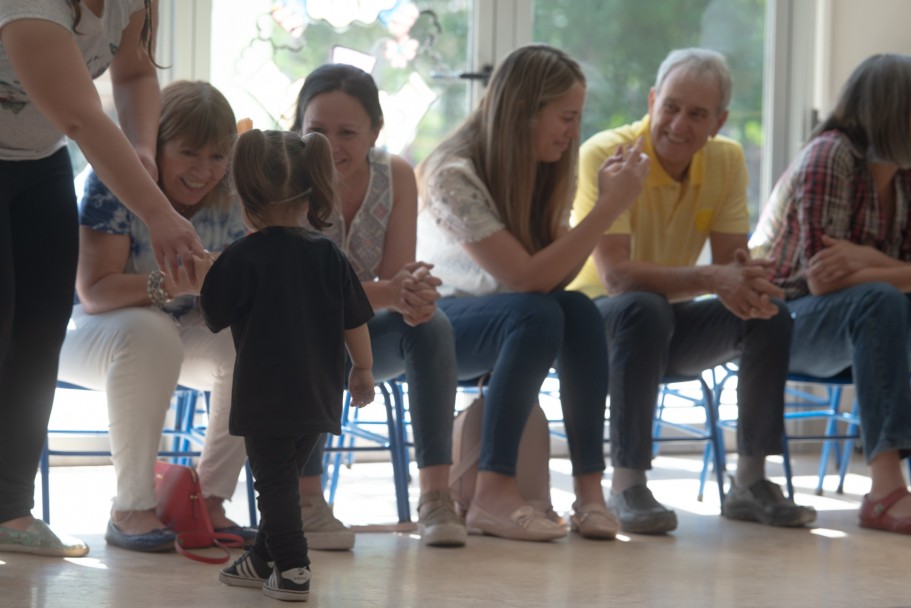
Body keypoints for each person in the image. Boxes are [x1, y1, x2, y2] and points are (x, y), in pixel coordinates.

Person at [568, 47, 817, 534]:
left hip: (666, 324)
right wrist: (712, 279)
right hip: (596, 324)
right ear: (653, 99)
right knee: (643, 306)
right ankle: (626, 484)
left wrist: (752, 282)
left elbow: (730, 264)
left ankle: (749, 482)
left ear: (719, 121)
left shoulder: (725, 160)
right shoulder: (607, 153)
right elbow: (617, 276)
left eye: (697, 114)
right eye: (672, 107)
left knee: (767, 313)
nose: (679, 124)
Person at [416, 44, 649, 542]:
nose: (573, 132)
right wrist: (608, 209)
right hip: (436, 325)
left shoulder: (541, 167)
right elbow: (525, 278)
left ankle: (590, 492)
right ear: (525, 113)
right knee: (538, 313)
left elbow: (551, 279)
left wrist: (599, 207)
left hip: (512, 318)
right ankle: (491, 493)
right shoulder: (452, 173)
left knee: (578, 310)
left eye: (577, 117)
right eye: (566, 117)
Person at [0, 0, 204, 558]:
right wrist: (159, 213)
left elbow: (135, 72)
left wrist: (141, 144)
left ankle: (10, 512)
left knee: (38, 334)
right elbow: (81, 118)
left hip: (39, 161)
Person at [56, 80, 254, 551]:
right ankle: (131, 507)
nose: (204, 171)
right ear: (156, 144)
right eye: (189, 153)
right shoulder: (113, 180)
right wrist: (174, 283)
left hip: (174, 329)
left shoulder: (233, 191)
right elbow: (95, 291)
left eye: (216, 156)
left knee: (249, 338)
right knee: (151, 331)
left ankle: (208, 500)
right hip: (88, 330)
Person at [290, 63, 464, 548]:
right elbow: (297, 292)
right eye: (316, 131)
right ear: (298, 127)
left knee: (432, 326)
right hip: (294, 340)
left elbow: (395, 280)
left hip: (364, 336)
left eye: (347, 132)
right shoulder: (283, 176)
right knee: (311, 326)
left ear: (375, 133)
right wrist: (391, 291)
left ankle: (436, 497)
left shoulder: (396, 175)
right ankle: (306, 500)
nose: (330, 145)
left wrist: (413, 295)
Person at [202, 129, 375, 602]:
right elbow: (354, 320)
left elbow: (213, 315)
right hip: (320, 394)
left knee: (273, 485)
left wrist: (202, 276)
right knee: (281, 480)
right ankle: (263, 558)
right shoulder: (328, 254)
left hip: (266, 397)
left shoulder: (242, 257)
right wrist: (362, 370)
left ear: (246, 197)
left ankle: (294, 566)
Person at [751, 53, 911, 535]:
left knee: (885, 300)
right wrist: (887, 270)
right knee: (882, 300)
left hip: (863, 327)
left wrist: (867, 259)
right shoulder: (832, 155)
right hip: (787, 319)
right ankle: (884, 489)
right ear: (892, 111)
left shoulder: (904, 176)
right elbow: (823, 281)